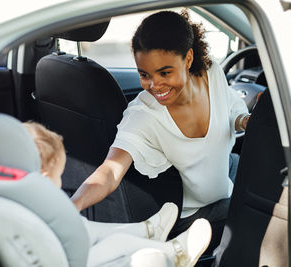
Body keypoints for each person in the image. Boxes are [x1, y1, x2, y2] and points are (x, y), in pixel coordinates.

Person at [71, 10, 250, 253]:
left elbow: (230, 105)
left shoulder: (212, 73)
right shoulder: (144, 115)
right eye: (144, 75)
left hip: (226, 177)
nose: (154, 86)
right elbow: (110, 171)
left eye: (165, 72)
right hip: (197, 215)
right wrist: (72, 206)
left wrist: (242, 120)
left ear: (188, 60)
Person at [23, 121, 212, 267]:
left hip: (56, 254)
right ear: (45, 177)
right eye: (58, 175)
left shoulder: (20, 200)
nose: (60, 182)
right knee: (117, 243)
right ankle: (177, 254)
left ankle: (147, 232)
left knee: (81, 224)